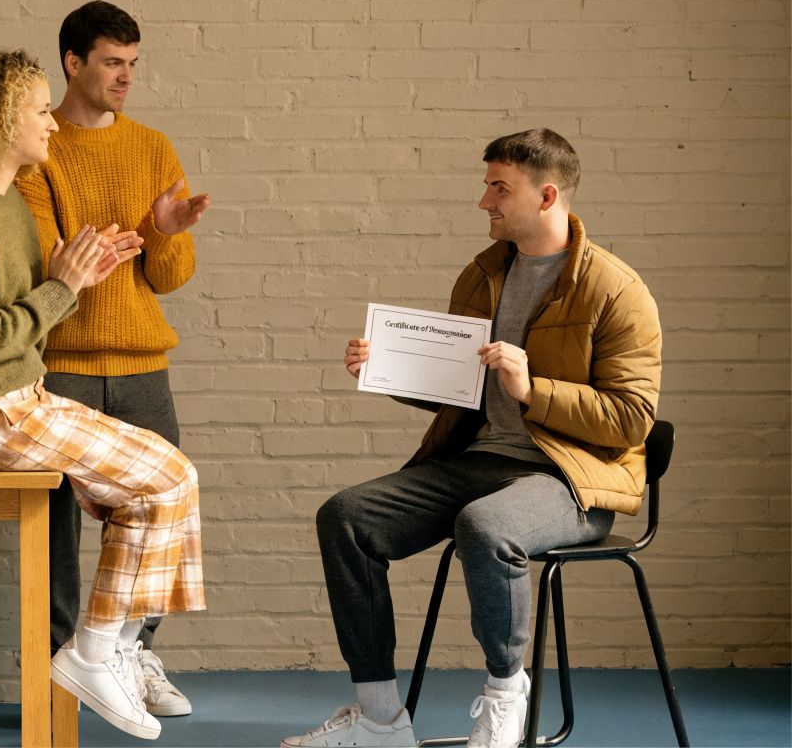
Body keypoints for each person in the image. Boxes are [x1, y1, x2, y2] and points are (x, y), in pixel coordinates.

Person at [283, 128, 662, 748]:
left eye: (498, 188)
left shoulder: (616, 290)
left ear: (545, 196)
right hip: (479, 460)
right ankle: (380, 718)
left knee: (486, 527)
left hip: (573, 477)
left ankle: (506, 701)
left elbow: (630, 420)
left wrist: (531, 387)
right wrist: (388, 369)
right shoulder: (486, 273)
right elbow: (460, 387)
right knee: (345, 518)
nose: (484, 201)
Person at [0, 49, 205, 741]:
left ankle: (104, 651)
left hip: (18, 398)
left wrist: (83, 274)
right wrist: (65, 285)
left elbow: (23, 320)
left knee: (164, 484)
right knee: (169, 478)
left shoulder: (3, 204)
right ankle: (96, 653)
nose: (52, 123)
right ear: (2, 118)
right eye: (41, 110)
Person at [14, 0, 211, 718]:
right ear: (73, 62)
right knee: (56, 523)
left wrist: (160, 233)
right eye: (111, 63)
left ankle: (131, 652)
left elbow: (169, 276)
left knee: (160, 507)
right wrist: (117, 240)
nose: (125, 77)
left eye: (133, 64)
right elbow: (46, 261)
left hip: (140, 364)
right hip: (60, 361)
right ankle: (63, 663)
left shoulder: (154, 147)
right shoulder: (40, 146)